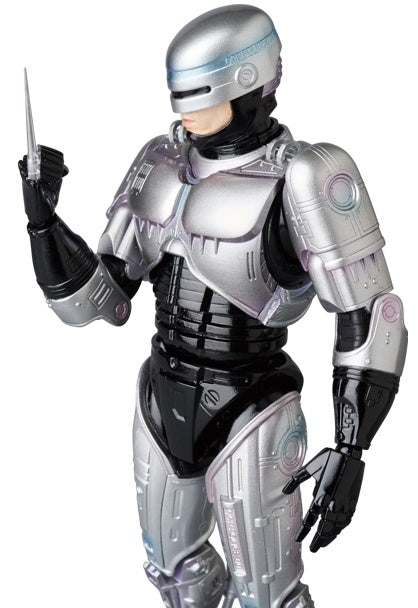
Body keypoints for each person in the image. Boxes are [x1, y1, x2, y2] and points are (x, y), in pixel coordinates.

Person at [19, 5, 407, 608]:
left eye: (200, 95)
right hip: (161, 393)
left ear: (249, 82)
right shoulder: (160, 162)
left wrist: (352, 448)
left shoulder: (305, 174)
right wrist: (45, 226)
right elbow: (99, 300)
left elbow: (371, 313)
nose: (185, 111)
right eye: (178, 95)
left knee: (268, 595)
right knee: (173, 574)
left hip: (252, 402)